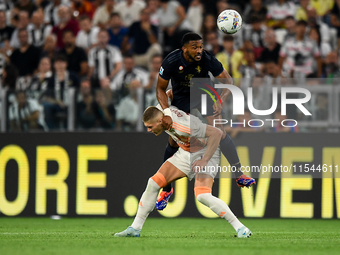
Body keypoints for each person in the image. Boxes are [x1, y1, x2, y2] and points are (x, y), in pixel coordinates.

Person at [114, 105, 252, 238]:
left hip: (205, 153)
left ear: (160, 121)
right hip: (185, 152)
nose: (149, 130)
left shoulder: (185, 126)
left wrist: (204, 160)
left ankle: (240, 228)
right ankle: (135, 228)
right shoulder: (161, 112)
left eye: (150, 127)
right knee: (153, 182)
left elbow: (217, 133)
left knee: (202, 195)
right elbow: (167, 93)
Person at [155, 32, 255, 210]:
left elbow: (228, 80)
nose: (199, 50)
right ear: (184, 49)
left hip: (204, 93)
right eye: (195, 47)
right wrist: (167, 112)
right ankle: (167, 189)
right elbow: (160, 88)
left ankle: (239, 175)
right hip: (181, 97)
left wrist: (221, 99)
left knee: (220, 132)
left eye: (200, 46)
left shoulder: (207, 59)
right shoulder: (171, 61)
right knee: (173, 140)